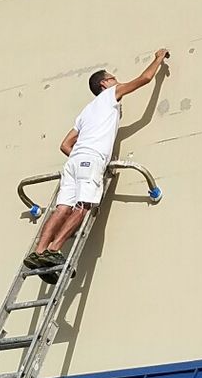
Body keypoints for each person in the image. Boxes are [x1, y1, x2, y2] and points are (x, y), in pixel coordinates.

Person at [25, 48, 168, 270]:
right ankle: (53, 251)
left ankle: (39, 251)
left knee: (63, 208)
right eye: (113, 78)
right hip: (90, 160)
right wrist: (158, 58)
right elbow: (145, 79)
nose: (117, 80)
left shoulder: (86, 111)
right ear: (105, 83)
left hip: (73, 163)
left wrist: (81, 156)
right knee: (85, 206)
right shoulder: (111, 95)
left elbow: (65, 144)